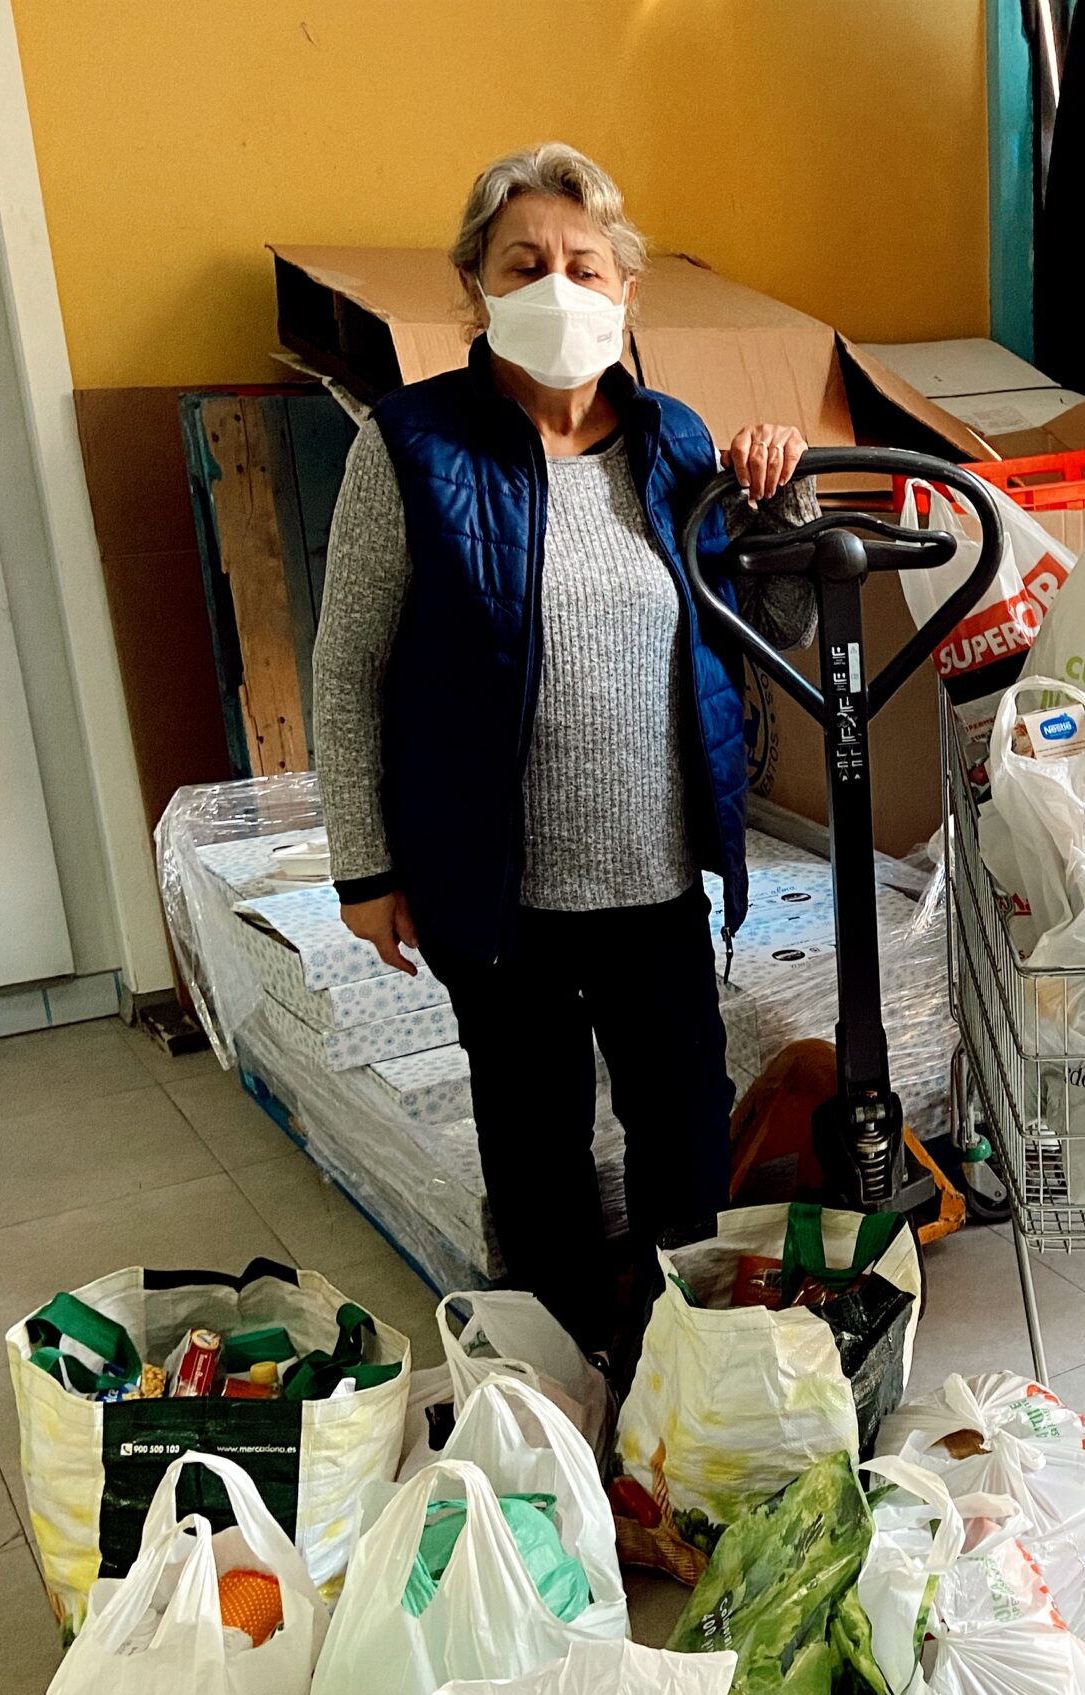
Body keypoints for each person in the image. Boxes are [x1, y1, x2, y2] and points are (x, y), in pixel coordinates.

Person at [311, 142, 816, 1365]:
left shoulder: (675, 441)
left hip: (652, 878)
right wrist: (365, 868)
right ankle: (564, 1380)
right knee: (536, 1153)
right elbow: (344, 668)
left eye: (585, 266)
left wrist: (776, 505)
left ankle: (676, 1371)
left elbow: (773, 633)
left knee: (684, 1143)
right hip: (498, 894)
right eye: (523, 263)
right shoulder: (410, 445)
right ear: (476, 287)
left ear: (626, 291)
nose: (558, 287)